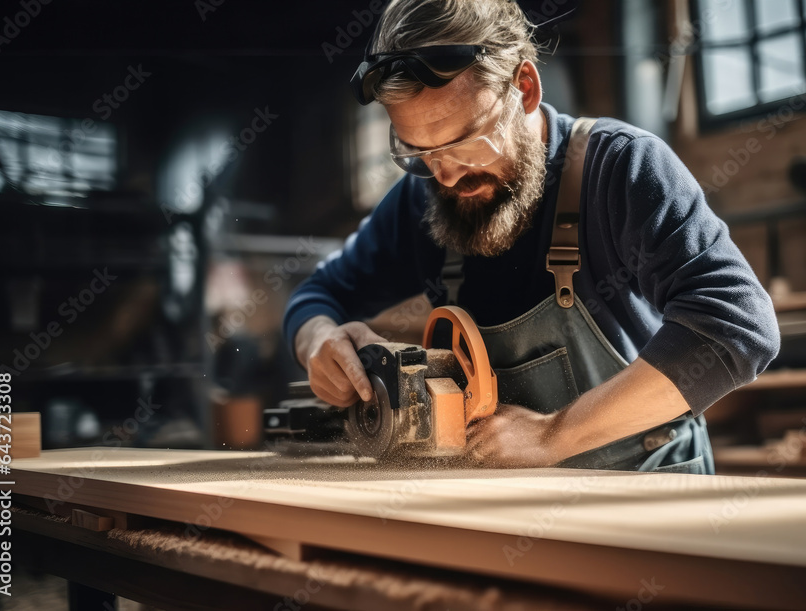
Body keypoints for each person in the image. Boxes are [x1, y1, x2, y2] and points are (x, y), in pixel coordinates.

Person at [283, 0, 779, 473]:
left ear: (524, 88)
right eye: (421, 153)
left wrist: (553, 435)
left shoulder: (621, 169)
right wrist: (319, 341)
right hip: (510, 515)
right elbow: (318, 295)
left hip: (649, 498)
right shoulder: (422, 198)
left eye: (465, 142)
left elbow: (736, 327)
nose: (448, 176)